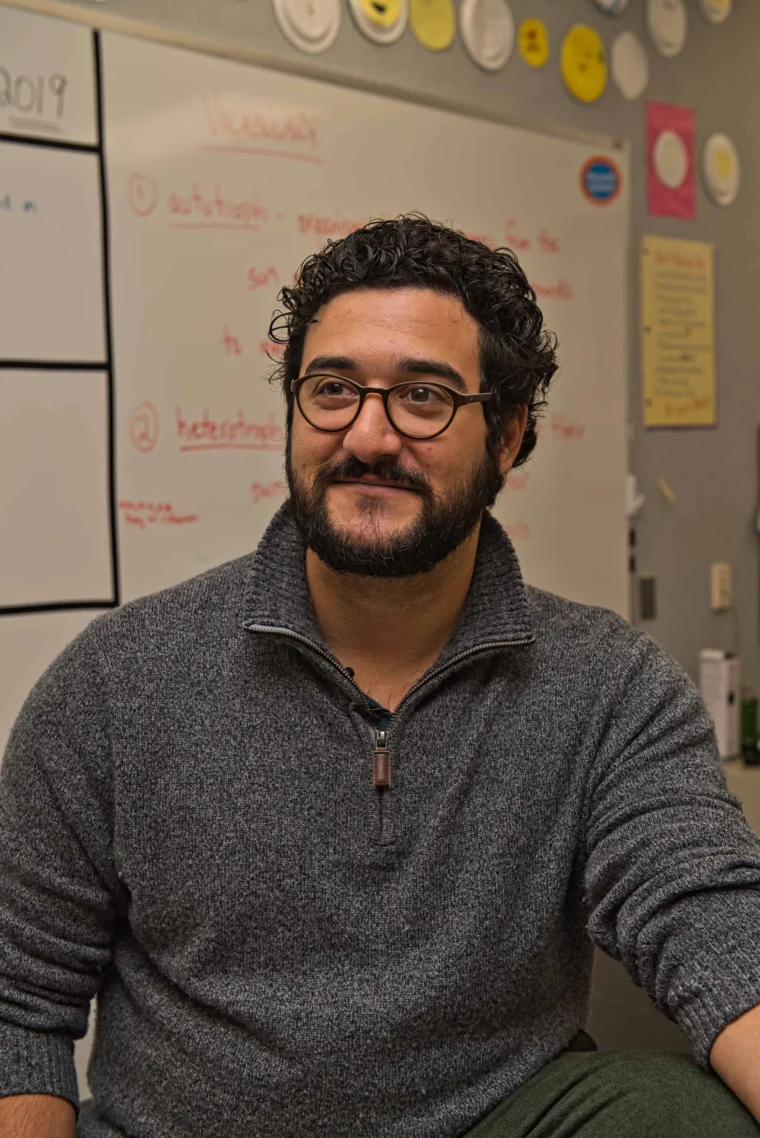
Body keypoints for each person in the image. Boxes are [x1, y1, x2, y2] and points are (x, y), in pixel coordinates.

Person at [1, 216, 760, 1138]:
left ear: (510, 434)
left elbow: (712, 924)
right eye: (331, 390)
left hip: (489, 1118)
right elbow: (17, 1003)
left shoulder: (610, 687)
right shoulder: (118, 680)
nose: (368, 434)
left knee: (682, 1116)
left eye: (425, 397)